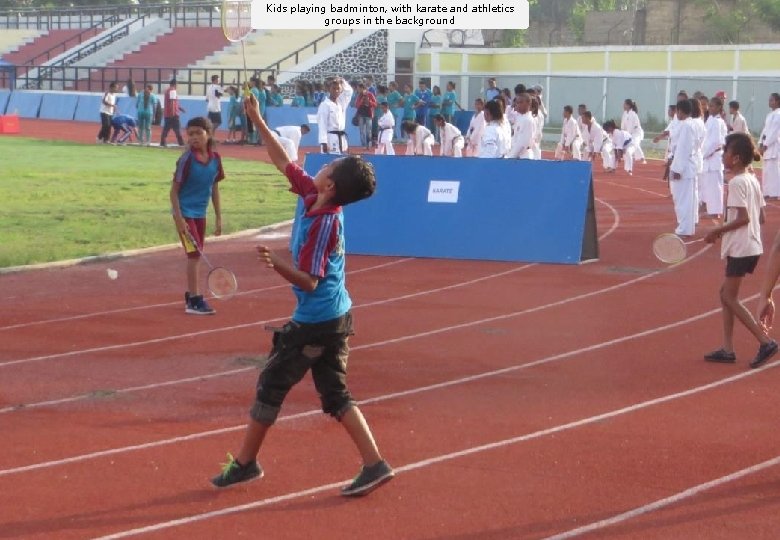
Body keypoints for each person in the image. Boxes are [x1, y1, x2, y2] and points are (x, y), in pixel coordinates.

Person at [210, 93, 393, 497]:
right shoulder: (314, 196)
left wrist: (273, 262)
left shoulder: (323, 224)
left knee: (271, 385)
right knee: (335, 393)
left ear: (329, 183)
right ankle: (375, 464)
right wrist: (257, 118)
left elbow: (310, 281)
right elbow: (282, 162)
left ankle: (245, 464)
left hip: (319, 322)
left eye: (328, 163)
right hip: (335, 316)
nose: (320, 163)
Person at [703, 132, 778, 368]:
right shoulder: (752, 179)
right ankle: (727, 348)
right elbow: (761, 216)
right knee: (725, 294)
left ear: (735, 158)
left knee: (728, 296)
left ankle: (764, 341)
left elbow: (744, 218)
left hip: (741, 247)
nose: (722, 156)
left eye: (725, 152)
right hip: (751, 245)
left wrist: (718, 230)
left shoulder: (736, 183)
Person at [169, 116, 224, 315]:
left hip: (201, 213)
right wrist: (179, 219)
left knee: (197, 254)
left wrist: (218, 216)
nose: (193, 137)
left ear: (208, 135)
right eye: (190, 134)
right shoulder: (186, 160)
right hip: (185, 213)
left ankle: (192, 294)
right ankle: (194, 299)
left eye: (198, 133)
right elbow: (173, 191)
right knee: (194, 255)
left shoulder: (216, 160)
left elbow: (214, 188)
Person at [666, 100, 697, 237]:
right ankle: (685, 227)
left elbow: (683, 149)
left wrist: (677, 169)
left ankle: (684, 229)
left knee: (682, 201)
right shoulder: (690, 124)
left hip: (683, 167)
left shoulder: (687, 126)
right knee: (683, 200)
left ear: (680, 111)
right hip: (685, 165)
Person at [700, 96, 728, 218]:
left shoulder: (717, 122)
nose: (709, 108)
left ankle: (715, 212)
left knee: (715, 187)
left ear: (718, 107)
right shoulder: (710, 120)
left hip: (713, 158)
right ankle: (709, 208)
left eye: (712, 106)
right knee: (708, 186)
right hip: (707, 158)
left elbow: (715, 142)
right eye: (709, 106)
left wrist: (703, 154)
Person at [317, 76, 353, 154]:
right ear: (329, 89)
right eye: (333, 88)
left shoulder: (341, 103)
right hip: (330, 138)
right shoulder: (325, 105)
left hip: (341, 137)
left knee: (342, 163)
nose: (336, 91)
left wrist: (342, 80)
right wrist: (324, 142)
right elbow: (322, 125)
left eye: (338, 89)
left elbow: (349, 92)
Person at [759, 93, 780, 200]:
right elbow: (765, 130)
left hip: (774, 146)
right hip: (766, 146)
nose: (769, 102)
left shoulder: (778, 114)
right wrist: (760, 143)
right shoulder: (769, 115)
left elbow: (774, 132)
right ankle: (767, 192)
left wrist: (766, 145)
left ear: (777, 101)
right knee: (766, 171)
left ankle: (775, 193)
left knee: (774, 171)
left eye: (771, 100)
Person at [506, 93, 534, 160]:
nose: (517, 105)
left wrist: (510, 157)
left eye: (520, 102)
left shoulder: (527, 120)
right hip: (517, 156)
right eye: (517, 103)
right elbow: (508, 116)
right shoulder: (519, 117)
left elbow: (522, 143)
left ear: (528, 104)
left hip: (524, 157)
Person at [160, 80, 186, 147]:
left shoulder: (167, 91)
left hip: (168, 114)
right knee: (177, 129)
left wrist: (180, 108)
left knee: (166, 129)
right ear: (175, 84)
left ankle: (162, 142)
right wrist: (173, 112)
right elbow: (172, 102)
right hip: (173, 114)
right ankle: (181, 143)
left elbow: (174, 102)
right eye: (177, 84)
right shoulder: (172, 90)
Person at [621, 99, 646, 164]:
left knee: (634, 143)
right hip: (629, 133)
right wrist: (623, 133)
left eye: (625, 104)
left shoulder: (633, 114)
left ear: (629, 106)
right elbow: (623, 125)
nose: (623, 106)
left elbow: (633, 126)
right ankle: (641, 158)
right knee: (634, 144)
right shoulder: (625, 113)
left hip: (636, 133)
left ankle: (642, 158)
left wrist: (628, 135)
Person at [354, 82, 377, 150]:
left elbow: (375, 104)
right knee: (362, 131)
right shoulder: (359, 96)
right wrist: (361, 100)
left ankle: (368, 145)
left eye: (358, 89)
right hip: (361, 115)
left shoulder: (370, 94)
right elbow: (356, 105)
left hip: (369, 115)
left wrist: (369, 102)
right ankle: (363, 145)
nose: (358, 90)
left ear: (362, 88)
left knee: (368, 131)